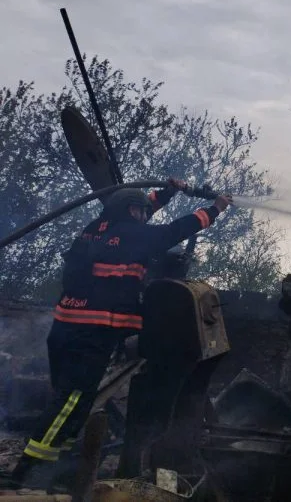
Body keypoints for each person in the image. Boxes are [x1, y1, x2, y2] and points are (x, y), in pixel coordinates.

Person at [9, 179, 233, 491]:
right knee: (72, 401)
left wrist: (167, 193)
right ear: (132, 211)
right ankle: (31, 471)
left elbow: (137, 211)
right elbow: (174, 231)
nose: (145, 215)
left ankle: (56, 465)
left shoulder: (98, 228)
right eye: (142, 212)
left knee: (69, 400)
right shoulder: (132, 234)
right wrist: (215, 209)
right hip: (94, 331)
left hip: (65, 328)